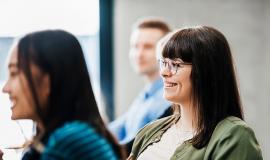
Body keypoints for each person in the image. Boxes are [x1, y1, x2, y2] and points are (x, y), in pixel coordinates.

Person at [128, 26, 263, 160]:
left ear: (205, 72)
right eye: (163, 63)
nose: (163, 72)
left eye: (176, 64)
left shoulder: (233, 136)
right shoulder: (149, 131)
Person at [2, 30, 126, 160]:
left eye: (14, 73)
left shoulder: (68, 141)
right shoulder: (77, 134)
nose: (5, 88)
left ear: (48, 79)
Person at [109, 18, 172, 152]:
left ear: (167, 52)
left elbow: (130, 148)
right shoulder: (145, 95)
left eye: (148, 47)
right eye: (135, 46)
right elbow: (115, 130)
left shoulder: (168, 100)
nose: (139, 54)